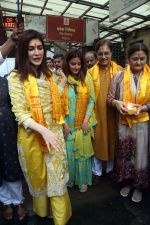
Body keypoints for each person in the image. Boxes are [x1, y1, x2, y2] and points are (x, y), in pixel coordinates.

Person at [8, 29, 71, 225]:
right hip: (32, 136)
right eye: (31, 49)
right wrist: (43, 130)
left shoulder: (49, 74)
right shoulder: (16, 78)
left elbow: (55, 102)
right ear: (23, 52)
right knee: (39, 177)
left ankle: (60, 218)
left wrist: (63, 122)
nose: (37, 53)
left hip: (54, 133)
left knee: (56, 177)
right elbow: (21, 114)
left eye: (40, 48)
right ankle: (44, 212)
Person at [108, 42, 150, 202]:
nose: (138, 62)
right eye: (135, 59)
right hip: (124, 123)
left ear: (146, 58)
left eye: (142, 59)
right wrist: (117, 103)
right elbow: (110, 98)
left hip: (142, 124)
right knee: (125, 155)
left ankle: (139, 186)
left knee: (141, 155)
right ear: (128, 59)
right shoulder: (119, 76)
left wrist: (144, 108)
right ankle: (127, 182)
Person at [0, 22, 25, 221]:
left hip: (6, 126)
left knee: (11, 163)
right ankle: (6, 202)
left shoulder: (7, 80)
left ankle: (18, 201)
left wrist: (13, 39)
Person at [63, 49, 96, 192]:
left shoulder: (86, 77)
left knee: (82, 155)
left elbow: (92, 100)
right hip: (66, 125)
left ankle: (82, 181)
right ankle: (70, 181)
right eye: (72, 64)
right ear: (67, 64)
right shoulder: (61, 79)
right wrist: (63, 125)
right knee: (69, 155)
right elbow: (56, 103)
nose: (76, 67)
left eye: (79, 64)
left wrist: (85, 121)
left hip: (83, 123)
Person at [89, 39, 122, 184]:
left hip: (115, 113)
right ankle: (97, 171)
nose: (103, 57)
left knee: (113, 140)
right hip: (97, 114)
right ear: (96, 55)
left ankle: (109, 170)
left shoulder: (120, 71)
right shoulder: (90, 73)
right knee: (98, 140)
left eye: (106, 53)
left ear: (111, 53)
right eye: (100, 54)